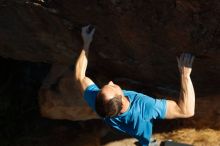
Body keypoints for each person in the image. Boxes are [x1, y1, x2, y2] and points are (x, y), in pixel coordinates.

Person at [75, 25, 195, 146]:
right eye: (112, 87)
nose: (110, 82)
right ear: (121, 98)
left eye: (105, 87)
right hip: (148, 137)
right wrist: (185, 75)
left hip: (135, 132)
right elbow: (186, 111)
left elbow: (79, 77)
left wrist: (86, 43)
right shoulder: (144, 107)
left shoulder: (101, 105)